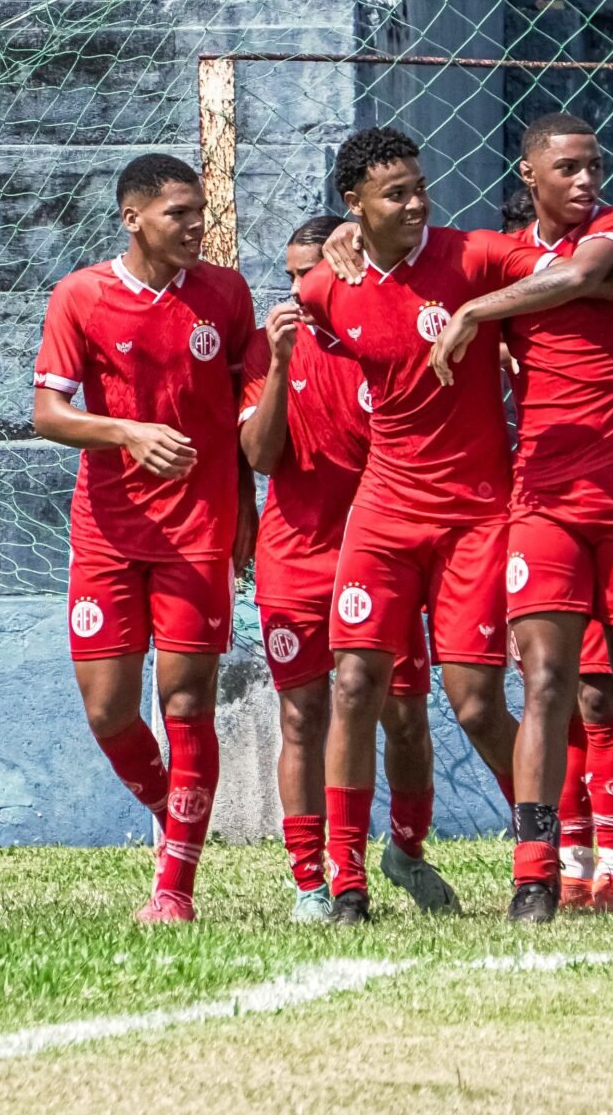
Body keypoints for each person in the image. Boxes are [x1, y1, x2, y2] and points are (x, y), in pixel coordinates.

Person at [303, 126, 613, 923]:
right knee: (484, 682)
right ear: (530, 174)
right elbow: (327, 301)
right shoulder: (343, 285)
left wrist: (477, 310)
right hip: (483, 498)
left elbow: (594, 280)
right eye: (394, 192)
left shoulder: (509, 253)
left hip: (548, 503)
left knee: (589, 690)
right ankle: (485, 876)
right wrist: (344, 239)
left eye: (594, 167)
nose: (415, 201)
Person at [31, 153, 256, 925]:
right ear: (133, 218)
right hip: (108, 533)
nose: (196, 226)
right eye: (178, 214)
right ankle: (172, 809)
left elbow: (243, 411)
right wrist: (126, 431)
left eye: (201, 213)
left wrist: (245, 517)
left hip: (198, 532)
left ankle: (175, 890)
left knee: (187, 702)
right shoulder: (82, 296)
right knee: (109, 712)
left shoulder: (225, 295)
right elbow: (48, 414)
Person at [239, 214, 458, 922]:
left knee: (405, 719)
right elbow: (262, 457)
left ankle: (406, 848)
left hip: (387, 556)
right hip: (296, 559)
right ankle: (315, 880)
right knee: (303, 717)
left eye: (315, 272)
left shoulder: (392, 336)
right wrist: (277, 367)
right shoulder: (265, 349)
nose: (302, 289)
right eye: (293, 275)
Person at [501, 186, 613, 913]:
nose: (588, 180)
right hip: (537, 512)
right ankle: (566, 863)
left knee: (604, 692)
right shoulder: (505, 297)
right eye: (570, 167)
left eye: (594, 165)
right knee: (548, 692)